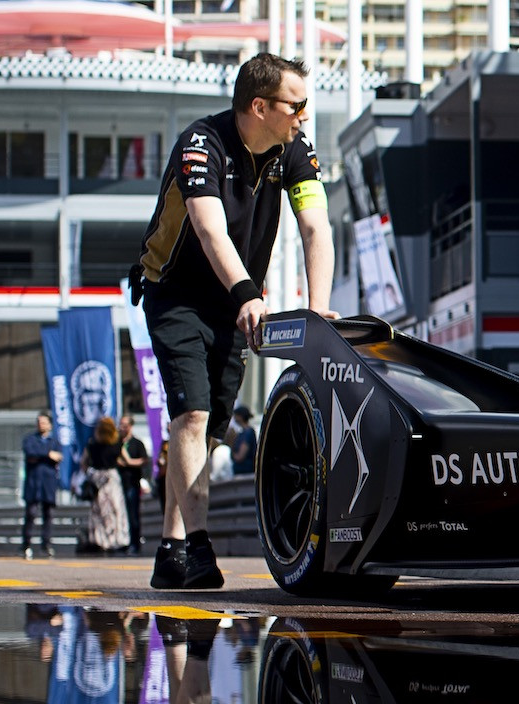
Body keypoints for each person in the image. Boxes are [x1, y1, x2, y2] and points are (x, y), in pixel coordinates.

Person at [131, 53, 336, 591]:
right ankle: (198, 550)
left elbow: (316, 228)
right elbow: (208, 229)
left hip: (233, 303)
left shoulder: (294, 151)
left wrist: (318, 310)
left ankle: (170, 546)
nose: (305, 115)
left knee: (210, 429)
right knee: (192, 418)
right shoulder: (202, 144)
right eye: (297, 105)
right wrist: (248, 292)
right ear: (259, 106)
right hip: (175, 295)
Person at [79, 417, 129, 554]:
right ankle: (117, 539)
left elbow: (83, 462)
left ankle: (100, 540)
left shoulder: (92, 444)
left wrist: (89, 472)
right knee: (116, 509)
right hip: (112, 477)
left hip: (96, 477)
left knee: (99, 511)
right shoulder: (117, 443)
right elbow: (126, 460)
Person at [22, 410, 64, 559]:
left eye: (44, 422)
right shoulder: (30, 439)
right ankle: (26, 544)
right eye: (39, 422)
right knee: (31, 513)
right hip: (33, 483)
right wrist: (47, 455)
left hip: (48, 484)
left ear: (50, 425)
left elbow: (59, 456)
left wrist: (42, 455)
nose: (41, 425)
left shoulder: (55, 442)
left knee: (49, 515)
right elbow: (30, 453)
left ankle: (46, 545)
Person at [117, 415, 150, 556]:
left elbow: (144, 460)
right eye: (121, 424)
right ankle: (121, 542)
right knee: (119, 514)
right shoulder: (116, 442)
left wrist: (129, 462)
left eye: (125, 425)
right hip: (117, 483)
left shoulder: (137, 443)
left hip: (132, 482)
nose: (122, 428)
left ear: (131, 426)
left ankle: (134, 544)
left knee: (133, 514)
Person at [228, 406, 257, 476]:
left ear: (240, 417)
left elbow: (240, 456)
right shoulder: (243, 432)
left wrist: (232, 454)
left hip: (244, 473)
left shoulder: (247, 433)